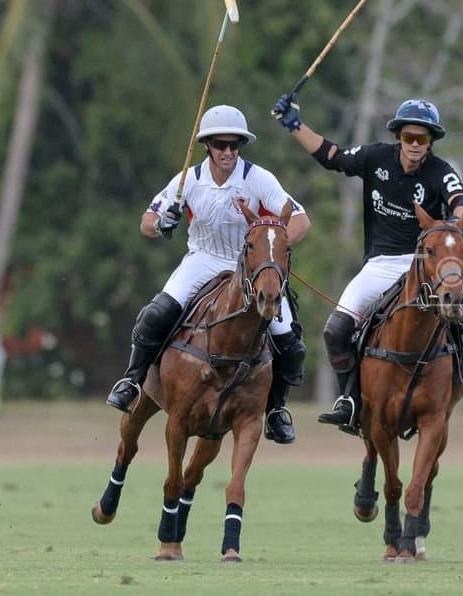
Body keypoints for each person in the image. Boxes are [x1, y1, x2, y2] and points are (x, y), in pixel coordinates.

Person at [270, 92, 463, 431]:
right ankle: (350, 399)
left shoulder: (440, 171)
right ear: (398, 137)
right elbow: (333, 156)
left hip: (427, 265)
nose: (416, 144)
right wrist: (294, 125)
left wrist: (455, 223)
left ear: (431, 142)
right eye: (409, 137)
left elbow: (462, 202)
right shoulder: (375, 158)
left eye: (423, 138)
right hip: (380, 264)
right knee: (336, 330)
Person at [105, 105, 310, 445]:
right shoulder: (188, 180)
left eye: (234, 145)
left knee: (290, 340)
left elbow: (301, 220)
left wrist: (275, 246)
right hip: (201, 260)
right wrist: (162, 223)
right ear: (206, 146)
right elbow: (146, 221)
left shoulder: (259, 178)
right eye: (220, 145)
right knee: (155, 315)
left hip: (252, 268)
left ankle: (276, 411)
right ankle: (131, 382)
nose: (227, 152)